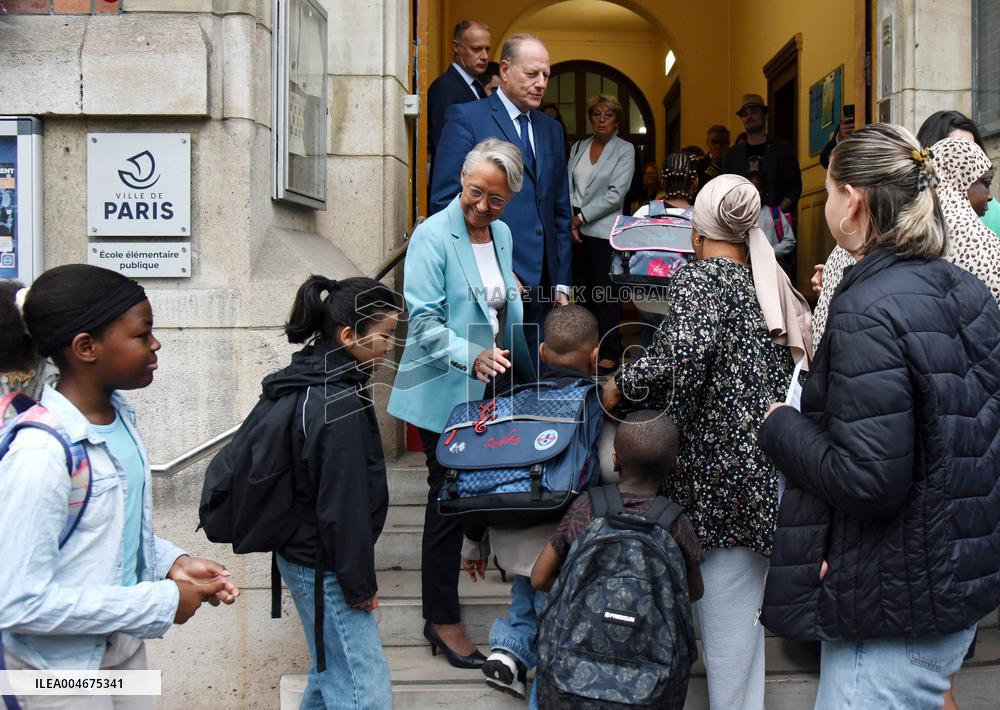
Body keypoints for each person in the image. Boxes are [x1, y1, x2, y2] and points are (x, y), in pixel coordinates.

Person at [758, 122, 1000, 710]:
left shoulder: (867, 308)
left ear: (854, 201)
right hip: (949, 582)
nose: (828, 205)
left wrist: (780, 427)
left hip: (896, 602)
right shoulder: (964, 290)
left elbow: (870, 479)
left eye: (832, 188)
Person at [602, 175, 812, 710]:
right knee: (739, 631)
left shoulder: (705, 278)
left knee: (727, 635)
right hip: (763, 475)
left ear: (695, 231)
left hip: (721, 486)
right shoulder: (761, 281)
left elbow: (680, 361)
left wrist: (618, 386)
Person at [0, 265, 238, 709]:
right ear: (86, 347)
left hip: (123, 654)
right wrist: (161, 603)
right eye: (141, 334)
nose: (155, 344)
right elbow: (16, 602)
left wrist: (171, 563)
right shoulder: (42, 453)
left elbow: (108, 528)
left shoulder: (121, 421)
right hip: (57, 677)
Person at [388, 139, 534, 670]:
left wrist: (524, 361)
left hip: (492, 382)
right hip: (444, 389)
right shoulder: (431, 236)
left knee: (479, 492)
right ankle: (441, 617)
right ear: (462, 178)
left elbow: (502, 304)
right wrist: (471, 357)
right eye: (476, 193)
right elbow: (423, 325)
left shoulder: (502, 233)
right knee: (448, 498)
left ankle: (477, 569)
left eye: (496, 200)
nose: (483, 207)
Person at [261, 275, 401, 709]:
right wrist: (359, 585)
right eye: (385, 336)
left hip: (308, 556)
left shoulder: (314, 378)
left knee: (330, 678)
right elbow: (343, 506)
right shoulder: (334, 401)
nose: (390, 347)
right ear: (348, 336)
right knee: (365, 694)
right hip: (323, 565)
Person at [461, 304, 600, 706]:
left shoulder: (512, 402)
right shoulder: (593, 402)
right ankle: (536, 683)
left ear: (539, 353)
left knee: (524, 587)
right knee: (556, 629)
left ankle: (508, 650)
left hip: (509, 535)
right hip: (560, 544)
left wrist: (474, 544)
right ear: (594, 356)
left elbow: (483, 473)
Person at [431, 34, 573, 366]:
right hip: (492, 283)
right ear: (505, 70)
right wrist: (495, 266)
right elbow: (445, 201)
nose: (541, 84)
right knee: (495, 386)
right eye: (532, 74)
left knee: (536, 382)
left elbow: (558, 209)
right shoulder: (467, 117)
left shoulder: (551, 129)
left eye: (546, 76)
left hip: (546, 286)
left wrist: (562, 280)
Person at [531, 410, 704, 599]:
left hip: (585, 627)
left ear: (615, 461)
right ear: (675, 465)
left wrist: (581, 594)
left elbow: (539, 578)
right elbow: (694, 592)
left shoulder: (585, 507)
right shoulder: (676, 522)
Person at [568, 94, 635, 374]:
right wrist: (570, 221)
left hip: (604, 232)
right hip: (575, 232)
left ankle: (610, 349)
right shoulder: (579, 146)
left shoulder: (625, 149)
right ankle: (586, 348)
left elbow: (616, 194)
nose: (602, 119)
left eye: (608, 115)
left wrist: (581, 217)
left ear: (617, 120)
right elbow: (568, 184)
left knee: (606, 295)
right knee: (582, 293)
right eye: (597, 114)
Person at [427, 20, 492, 180]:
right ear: (457, 47)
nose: (484, 56)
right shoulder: (444, 87)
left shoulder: (477, 87)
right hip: (457, 187)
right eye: (476, 49)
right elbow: (444, 146)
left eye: (487, 49)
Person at [723, 93, 802, 214]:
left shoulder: (783, 149)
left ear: (765, 115)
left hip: (776, 222)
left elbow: (794, 186)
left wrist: (776, 213)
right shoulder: (731, 156)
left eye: (754, 112)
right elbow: (724, 191)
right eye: (744, 114)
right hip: (740, 224)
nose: (749, 117)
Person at [748, 169, 795, 260]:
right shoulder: (738, 215)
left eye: (759, 190)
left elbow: (789, 240)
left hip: (771, 265)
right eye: (751, 189)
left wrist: (770, 253)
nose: (754, 193)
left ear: (765, 192)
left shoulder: (774, 214)